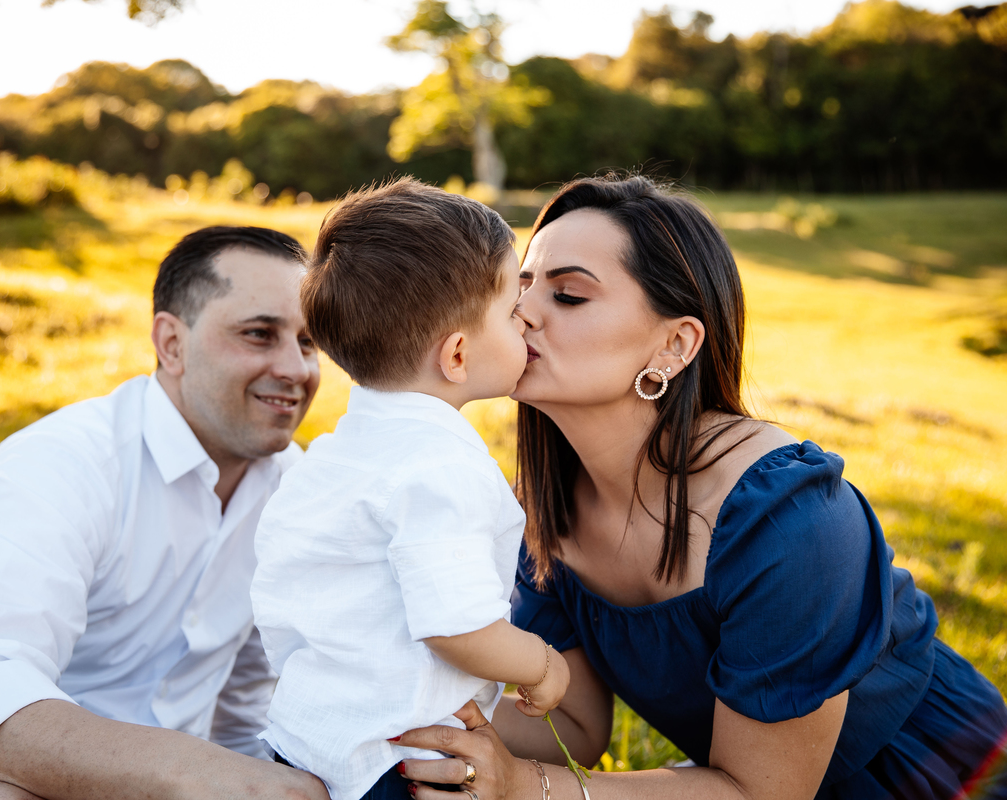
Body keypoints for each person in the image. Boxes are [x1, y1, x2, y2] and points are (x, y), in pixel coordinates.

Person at [390, 175, 1007, 800]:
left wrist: (523, 787)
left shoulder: (788, 518)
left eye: (569, 295)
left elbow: (761, 792)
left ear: (674, 345)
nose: (521, 313)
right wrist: (391, 722)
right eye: (519, 288)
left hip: (942, 774)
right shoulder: (539, 511)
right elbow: (573, 725)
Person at [0, 226, 330, 800]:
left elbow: (252, 707)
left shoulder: (294, 491)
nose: (297, 369)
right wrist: (198, 775)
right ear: (171, 344)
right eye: (258, 335)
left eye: (308, 342)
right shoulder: (61, 463)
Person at [250, 179, 571, 800]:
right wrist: (542, 664)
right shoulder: (439, 466)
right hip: (393, 764)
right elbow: (456, 626)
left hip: (304, 739)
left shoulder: (332, 456)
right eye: (511, 312)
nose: (527, 318)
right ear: (456, 355)